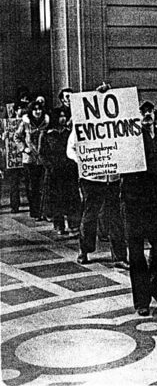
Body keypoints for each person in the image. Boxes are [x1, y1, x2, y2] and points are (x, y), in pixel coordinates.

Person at [120, 102, 157, 317]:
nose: (146, 115)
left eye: (149, 111)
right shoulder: (128, 137)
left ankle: (155, 287)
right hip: (134, 203)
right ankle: (141, 300)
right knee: (136, 254)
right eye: (142, 112)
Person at [66, 84, 129, 269]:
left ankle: (119, 256)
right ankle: (84, 250)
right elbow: (71, 149)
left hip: (113, 178)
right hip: (92, 179)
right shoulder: (84, 124)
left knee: (115, 217)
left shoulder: (118, 124)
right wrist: (85, 161)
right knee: (90, 215)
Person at [39, 107, 80, 236]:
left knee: (72, 199)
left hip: (68, 171)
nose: (63, 119)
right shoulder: (46, 134)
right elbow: (42, 154)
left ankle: (74, 226)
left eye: (64, 116)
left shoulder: (69, 133)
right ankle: (59, 225)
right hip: (54, 173)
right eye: (60, 116)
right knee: (56, 200)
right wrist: (50, 167)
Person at [14, 100, 49, 220]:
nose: (38, 112)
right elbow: (17, 137)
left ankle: (44, 211)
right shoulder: (25, 123)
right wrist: (24, 149)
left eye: (39, 109)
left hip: (43, 158)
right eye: (35, 110)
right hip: (29, 159)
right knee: (32, 186)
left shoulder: (46, 121)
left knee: (44, 185)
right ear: (31, 111)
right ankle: (35, 211)